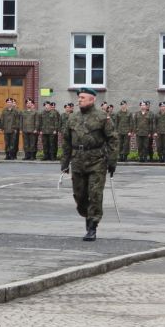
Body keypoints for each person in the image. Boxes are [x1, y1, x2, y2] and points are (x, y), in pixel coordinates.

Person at [61, 86, 116, 241]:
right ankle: (88, 216)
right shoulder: (72, 118)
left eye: (83, 98)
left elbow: (113, 139)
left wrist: (112, 161)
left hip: (96, 160)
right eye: (79, 98)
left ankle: (92, 226)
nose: (79, 100)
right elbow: (66, 141)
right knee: (80, 195)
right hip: (77, 160)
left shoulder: (102, 117)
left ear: (92, 99)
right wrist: (64, 162)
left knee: (95, 194)